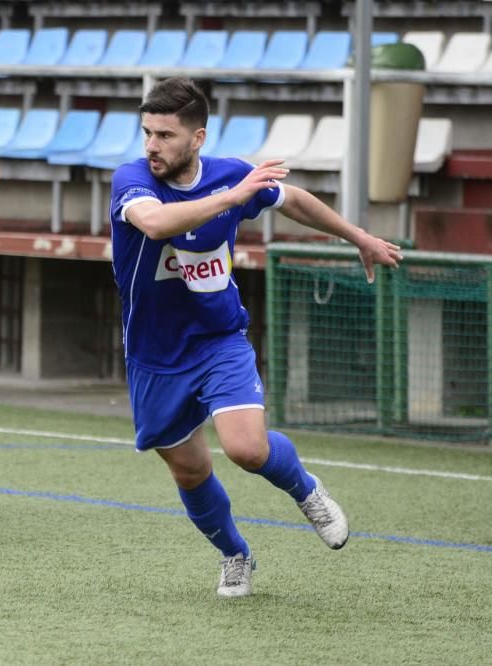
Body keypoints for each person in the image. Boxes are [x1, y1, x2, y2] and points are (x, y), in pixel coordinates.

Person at [109, 77, 403, 597]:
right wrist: (233, 197)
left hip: (219, 338)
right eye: (147, 133)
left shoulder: (231, 175)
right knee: (191, 471)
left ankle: (306, 491)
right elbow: (155, 224)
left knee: (246, 449)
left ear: (197, 138)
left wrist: (358, 236)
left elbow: (292, 200)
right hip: (154, 356)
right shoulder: (132, 180)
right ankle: (234, 554)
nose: (152, 146)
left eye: (165, 136)